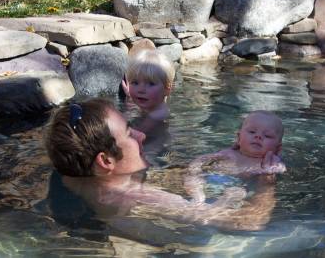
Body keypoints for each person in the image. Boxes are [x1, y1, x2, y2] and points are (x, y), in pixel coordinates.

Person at [44, 98, 276, 231]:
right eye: (129, 133)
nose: (141, 135)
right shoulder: (133, 197)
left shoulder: (73, 176)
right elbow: (249, 222)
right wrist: (267, 180)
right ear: (105, 161)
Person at [185, 110, 286, 203]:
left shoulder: (270, 161)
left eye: (267, 135)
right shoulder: (229, 153)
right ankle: (197, 197)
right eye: (252, 132)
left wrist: (271, 170)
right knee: (193, 179)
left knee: (237, 193)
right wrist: (195, 167)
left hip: (236, 187)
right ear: (238, 138)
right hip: (211, 178)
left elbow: (281, 169)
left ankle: (220, 204)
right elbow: (205, 158)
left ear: (278, 148)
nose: (258, 136)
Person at [121, 49, 175, 134]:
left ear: (167, 88)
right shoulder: (153, 103)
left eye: (151, 83)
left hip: (154, 146)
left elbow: (135, 134)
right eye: (135, 82)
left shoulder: (157, 115)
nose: (141, 90)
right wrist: (129, 96)